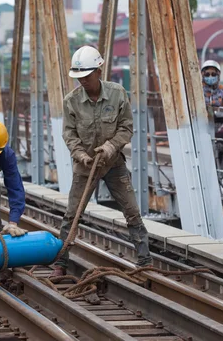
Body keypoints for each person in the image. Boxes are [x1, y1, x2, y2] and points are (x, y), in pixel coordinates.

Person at [50, 45, 152, 277]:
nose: (82, 81)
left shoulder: (117, 94)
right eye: (79, 78)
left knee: (132, 211)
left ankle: (145, 260)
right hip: (85, 167)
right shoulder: (71, 101)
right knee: (72, 214)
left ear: (99, 70)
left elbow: (126, 128)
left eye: (86, 76)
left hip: (114, 165)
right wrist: (82, 156)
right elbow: (69, 134)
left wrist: (110, 147)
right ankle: (61, 262)